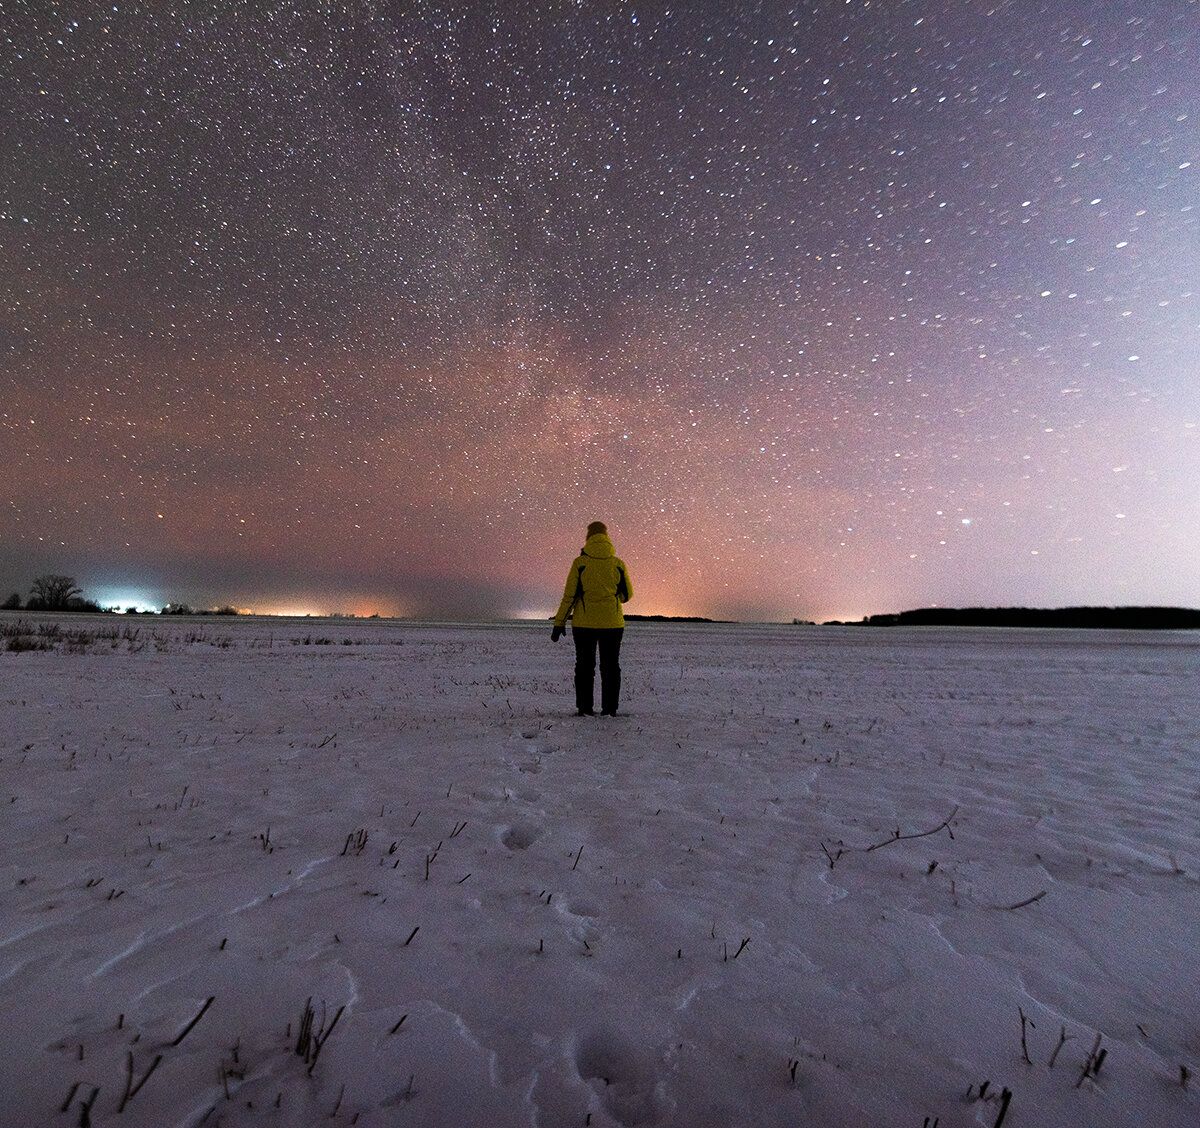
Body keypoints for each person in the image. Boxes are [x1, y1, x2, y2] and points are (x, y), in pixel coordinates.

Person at [551, 521, 632, 716]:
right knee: (610, 668)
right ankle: (610, 709)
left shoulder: (580, 563)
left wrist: (559, 622)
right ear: (606, 536)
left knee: (585, 667)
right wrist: (615, 598)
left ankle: (585, 709)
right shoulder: (618, 563)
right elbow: (627, 595)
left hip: (584, 625)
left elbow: (569, 596)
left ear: (588, 537)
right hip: (613, 625)